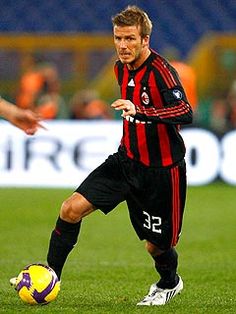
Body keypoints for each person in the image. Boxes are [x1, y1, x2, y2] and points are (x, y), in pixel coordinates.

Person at [13, 5, 192, 306]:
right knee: (70, 209)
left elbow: (185, 111)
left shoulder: (162, 72)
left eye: (130, 39)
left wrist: (142, 111)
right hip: (125, 162)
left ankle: (168, 283)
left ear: (145, 40)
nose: (123, 45)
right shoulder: (120, 67)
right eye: (118, 38)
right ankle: (49, 278)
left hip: (162, 172)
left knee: (156, 247)